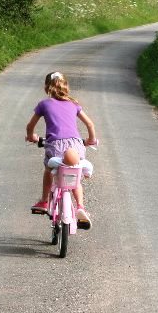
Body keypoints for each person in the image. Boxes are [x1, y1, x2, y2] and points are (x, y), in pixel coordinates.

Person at [25, 71, 98, 227]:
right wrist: (91, 140)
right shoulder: (74, 104)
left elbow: (30, 126)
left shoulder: (43, 104)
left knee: (48, 170)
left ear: (47, 87)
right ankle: (80, 206)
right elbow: (90, 124)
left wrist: (31, 136)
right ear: (66, 87)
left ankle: (44, 201)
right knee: (74, 173)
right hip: (77, 145)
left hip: (55, 144)